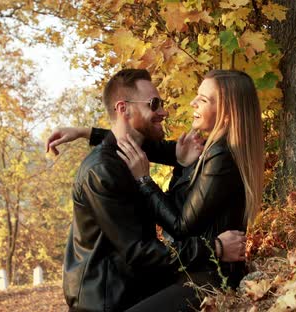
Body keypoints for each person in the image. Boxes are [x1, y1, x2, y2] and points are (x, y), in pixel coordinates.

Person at [60, 69, 246, 312]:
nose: (163, 111)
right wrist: (215, 248)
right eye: (154, 104)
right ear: (123, 109)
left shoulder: (133, 156)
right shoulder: (103, 171)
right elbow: (140, 252)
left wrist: (87, 132)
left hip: (135, 285)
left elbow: (165, 149)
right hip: (105, 300)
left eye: (162, 103)